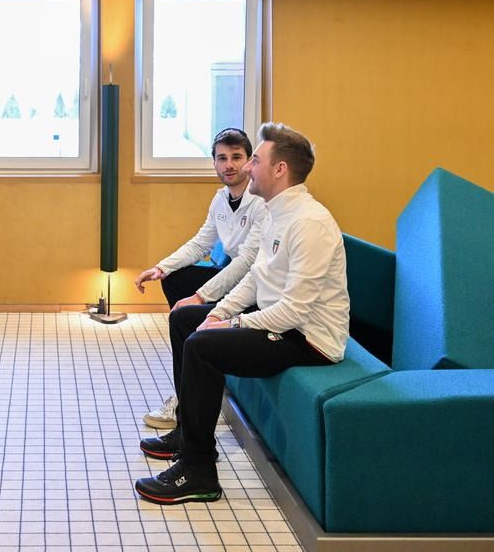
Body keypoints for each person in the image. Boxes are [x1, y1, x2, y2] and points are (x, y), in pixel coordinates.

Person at [134, 122, 349, 505]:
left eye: (255, 159)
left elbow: (294, 311)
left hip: (310, 341)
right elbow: (255, 277)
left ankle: (199, 472)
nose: (247, 167)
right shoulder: (279, 212)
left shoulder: (309, 222)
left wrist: (232, 322)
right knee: (185, 320)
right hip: (282, 322)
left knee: (202, 347)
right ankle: (187, 434)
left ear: (280, 169)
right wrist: (216, 311)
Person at [134, 128, 267, 430]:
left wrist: (201, 296)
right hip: (231, 276)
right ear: (214, 163)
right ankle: (194, 369)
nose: (229, 165)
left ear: (249, 162)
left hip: (254, 287)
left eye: (236, 157)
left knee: (183, 314)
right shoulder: (221, 200)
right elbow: (200, 244)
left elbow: (247, 261)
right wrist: (161, 268)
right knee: (174, 279)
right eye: (222, 158)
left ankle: (189, 395)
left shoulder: (260, 202)